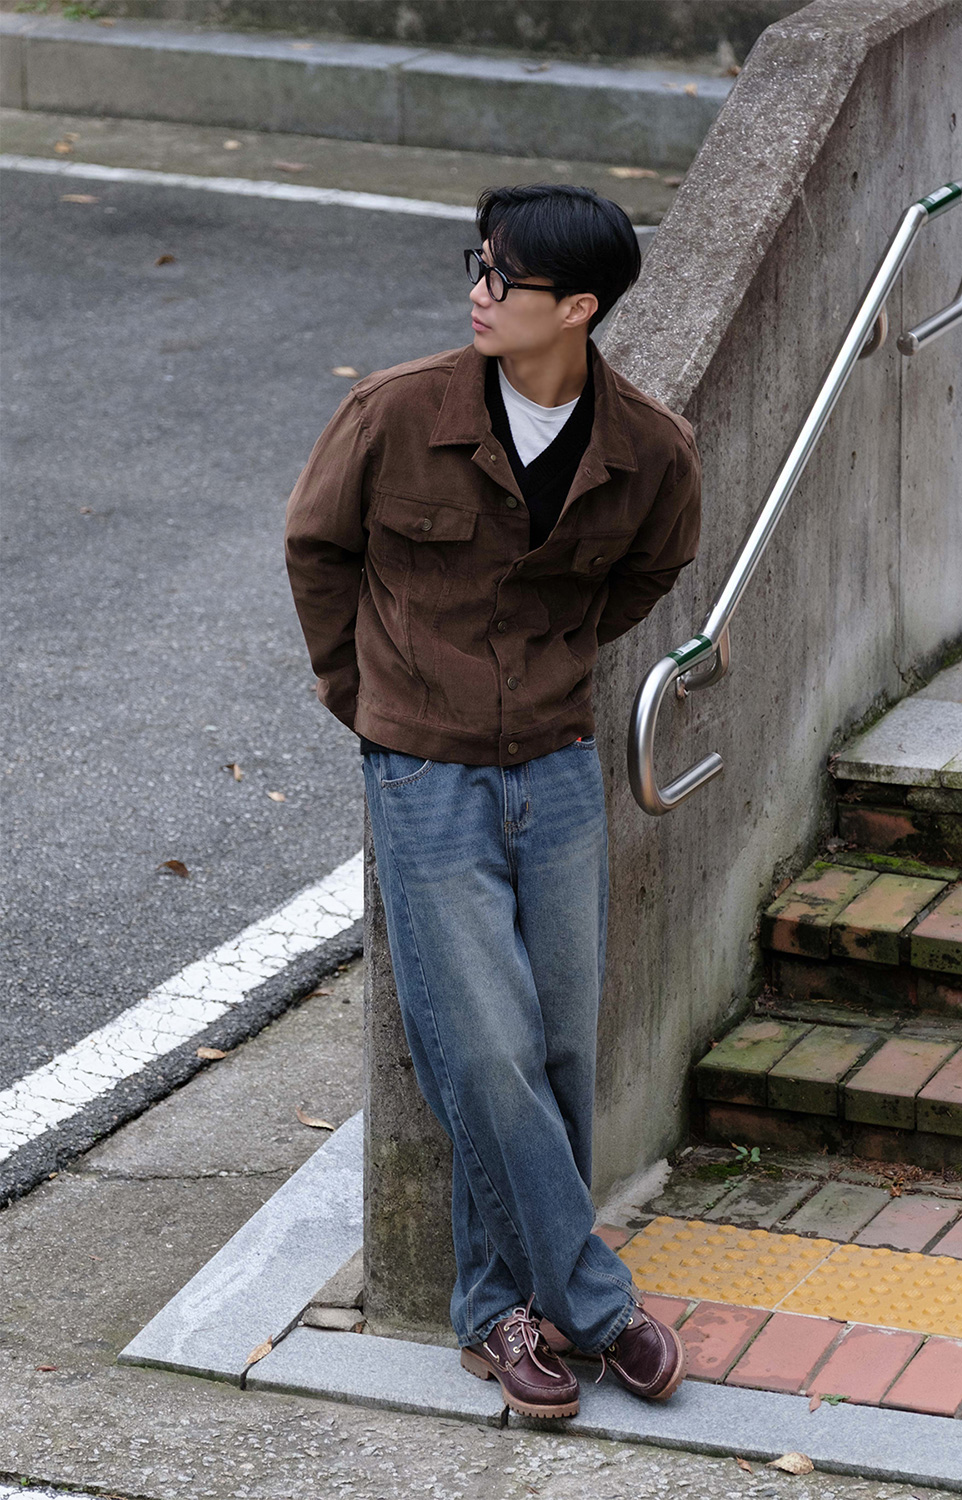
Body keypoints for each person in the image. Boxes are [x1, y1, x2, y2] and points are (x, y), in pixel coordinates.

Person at [284, 183, 701, 1419]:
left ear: (576, 308)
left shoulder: (650, 448)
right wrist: (372, 701)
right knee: (481, 1049)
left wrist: (554, 662)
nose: (476, 292)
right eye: (475, 265)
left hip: (558, 764)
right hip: (425, 770)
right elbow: (317, 551)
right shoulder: (394, 413)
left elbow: (650, 569)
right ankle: (596, 1306)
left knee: (555, 1048)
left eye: (502, 278)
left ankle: (497, 1315)